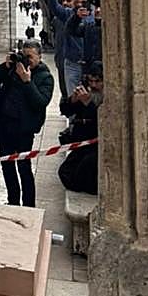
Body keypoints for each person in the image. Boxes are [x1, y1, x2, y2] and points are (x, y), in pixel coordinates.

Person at [0, 40, 55, 207]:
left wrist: (27, 82)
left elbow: (40, 102)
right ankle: (13, 200)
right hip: (4, 124)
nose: (26, 60)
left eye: (30, 57)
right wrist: (6, 66)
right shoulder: (13, 69)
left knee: (24, 167)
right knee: (7, 165)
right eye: (24, 56)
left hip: (24, 128)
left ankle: (29, 204)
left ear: (39, 57)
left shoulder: (45, 77)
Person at [58, 61, 102, 195]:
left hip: (96, 146)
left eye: (97, 81)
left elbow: (100, 121)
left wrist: (88, 104)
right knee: (65, 172)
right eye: (91, 81)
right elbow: (65, 110)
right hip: (83, 144)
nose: (93, 85)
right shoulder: (85, 93)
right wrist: (73, 100)